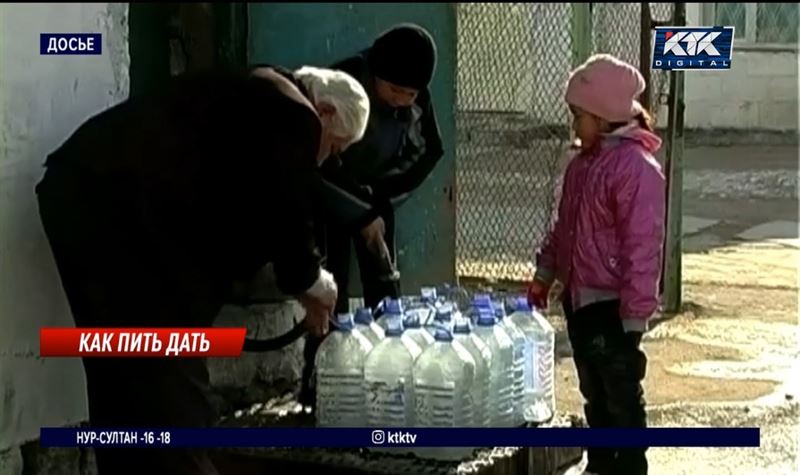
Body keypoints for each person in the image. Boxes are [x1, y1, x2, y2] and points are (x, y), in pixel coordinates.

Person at [35, 64, 369, 475]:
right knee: (170, 391)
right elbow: (288, 207)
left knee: (121, 378)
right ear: (327, 112)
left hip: (80, 194)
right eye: (335, 146)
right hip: (126, 223)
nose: (327, 157)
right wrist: (313, 282)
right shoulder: (295, 115)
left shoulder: (257, 86)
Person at [527, 54, 665, 475]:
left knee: (621, 391)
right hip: (580, 300)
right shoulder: (581, 166)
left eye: (578, 115)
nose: (573, 125)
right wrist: (545, 274)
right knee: (593, 388)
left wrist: (635, 315)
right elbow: (564, 228)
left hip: (614, 305)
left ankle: (629, 465)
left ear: (604, 117)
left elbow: (643, 246)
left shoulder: (636, 169)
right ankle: (602, 462)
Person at [300, 23, 444, 408]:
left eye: (409, 94)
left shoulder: (416, 101)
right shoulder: (345, 83)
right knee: (331, 288)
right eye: (394, 91)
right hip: (331, 194)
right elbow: (319, 160)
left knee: (384, 282)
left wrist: (381, 203)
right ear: (375, 76)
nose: (401, 100)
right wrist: (358, 209)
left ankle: (388, 379)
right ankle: (321, 385)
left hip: (376, 198)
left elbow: (427, 153)